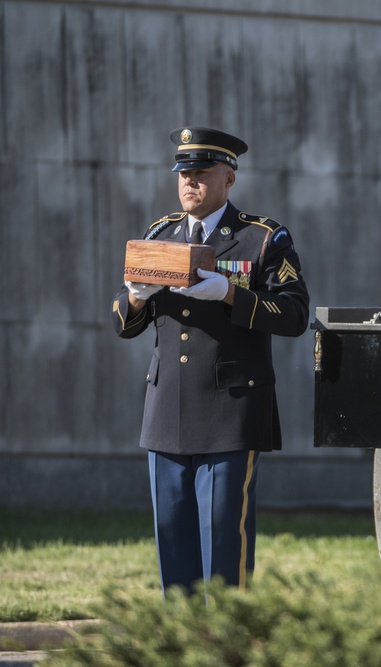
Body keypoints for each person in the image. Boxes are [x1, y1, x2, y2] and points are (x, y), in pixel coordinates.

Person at [111, 127, 310, 594]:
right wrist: (136, 299)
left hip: (229, 411)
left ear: (229, 178)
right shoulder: (160, 234)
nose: (189, 183)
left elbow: (295, 313)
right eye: (183, 174)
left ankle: (225, 647)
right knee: (173, 546)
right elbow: (124, 320)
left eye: (201, 174)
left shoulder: (261, 238)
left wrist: (229, 294)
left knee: (222, 545)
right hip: (166, 410)